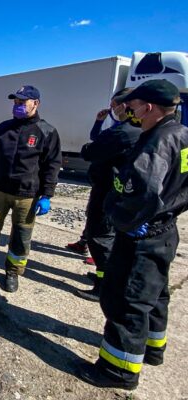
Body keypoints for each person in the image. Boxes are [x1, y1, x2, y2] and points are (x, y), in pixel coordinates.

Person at [79, 80, 187, 390]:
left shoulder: (155, 141)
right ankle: (154, 349)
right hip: (165, 231)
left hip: (142, 235)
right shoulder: (183, 135)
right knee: (156, 294)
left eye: (135, 106)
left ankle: (118, 371)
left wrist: (126, 218)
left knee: (127, 300)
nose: (131, 110)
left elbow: (142, 189)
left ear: (149, 107)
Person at [0, 85, 62, 292]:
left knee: (21, 237)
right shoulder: (3, 129)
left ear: (35, 103)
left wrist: (47, 195)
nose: (18, 106)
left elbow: (52, 166)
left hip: (27, 196)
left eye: (22, 102)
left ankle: (12, 273)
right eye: (15, 102)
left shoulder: (46, 131)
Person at [75, 88, 142, 302]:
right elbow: (99, 138)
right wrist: (98, 123)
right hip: (109, 190)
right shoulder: (127, 129)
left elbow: (90, 150)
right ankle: (104, 277)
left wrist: (93, 146)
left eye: (114, 106)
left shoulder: (125, 132)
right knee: (104, 237)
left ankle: (104, 286)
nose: (112, 109)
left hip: (109, 192)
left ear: (125, 106)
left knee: (99, 237)